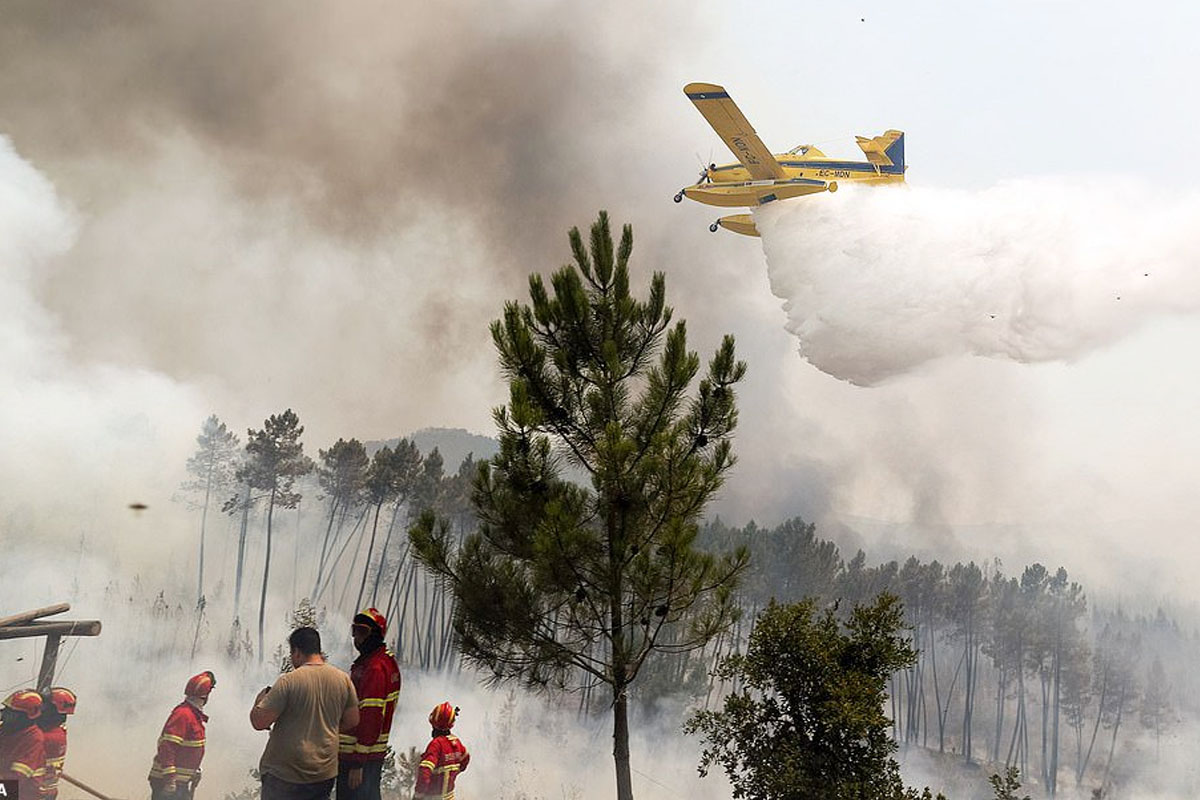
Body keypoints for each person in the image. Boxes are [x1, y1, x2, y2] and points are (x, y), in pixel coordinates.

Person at [251, 627, 359, 800]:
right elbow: (353, 720)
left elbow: (259, 722)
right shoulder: (342, 679)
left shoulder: (289, 681)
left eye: (292, 653)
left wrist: (259, 700)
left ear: (297, 652)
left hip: (285, 776)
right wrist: (325, 731)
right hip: (323, 774)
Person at [337, 608, 401, 800]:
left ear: (375, 635)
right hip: (369, 755)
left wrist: (358, 762)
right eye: (354, 630)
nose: (356, 637)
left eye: (362, 631)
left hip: (359, 756)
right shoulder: (382, 661)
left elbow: (371, 716)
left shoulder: (375, 668)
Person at [149, 672, 215, 800]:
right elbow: (167, 748)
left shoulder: (193, 715)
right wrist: (170, 780)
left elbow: (188, 750)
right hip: (168, 783)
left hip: (180, 783)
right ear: (205, 696)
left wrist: (194, 771)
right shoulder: (183, 715)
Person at [413, 703, 468, 800]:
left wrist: (418, 796)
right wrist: (453, 773)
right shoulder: (456, 742)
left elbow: (424, 772)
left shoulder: (436, 745)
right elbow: (465, 759)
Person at [0, 689, 45, 800]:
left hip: (21, 794)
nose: (4, 714)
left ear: (24, 716)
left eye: (10, 712)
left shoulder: (34, 739)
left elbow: (15, 780)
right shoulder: (9, 730)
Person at [37, 687, 77, 800]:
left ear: (51, 711)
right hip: (45, 792)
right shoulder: (58, 730)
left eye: (44, 706)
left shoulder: (46, 738)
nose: (40, 709)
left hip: (32, 794)